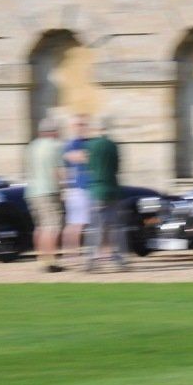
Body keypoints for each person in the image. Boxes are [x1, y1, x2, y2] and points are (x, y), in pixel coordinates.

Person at [85, 116, 127, 271]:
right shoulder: (113, 145)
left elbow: (89, 167)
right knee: (115, 227)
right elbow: (117, 167)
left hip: (97, 189)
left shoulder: (91, 145)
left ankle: (92, 259)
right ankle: (119, 258)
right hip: (112, 189)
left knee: (96, 227)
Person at [25, 117, 66, 272]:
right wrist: (63, 189)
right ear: (54, 132)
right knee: (52, 227)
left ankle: (41, 260)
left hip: (32, 191)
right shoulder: (56, 146)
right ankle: (50, 262)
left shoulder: (31, 146)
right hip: (49, 191)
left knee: (40, 227)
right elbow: (58, 171)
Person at [61, 114, 94, 261]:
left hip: (82, 187)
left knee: (78, 223)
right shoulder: (73, 143)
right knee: (76, 224)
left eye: (84, 124)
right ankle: (71, 254)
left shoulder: (84, 143)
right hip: (79, 188)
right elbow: (78, 158)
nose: (83, 127)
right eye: (79, 124)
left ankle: (71, 254)